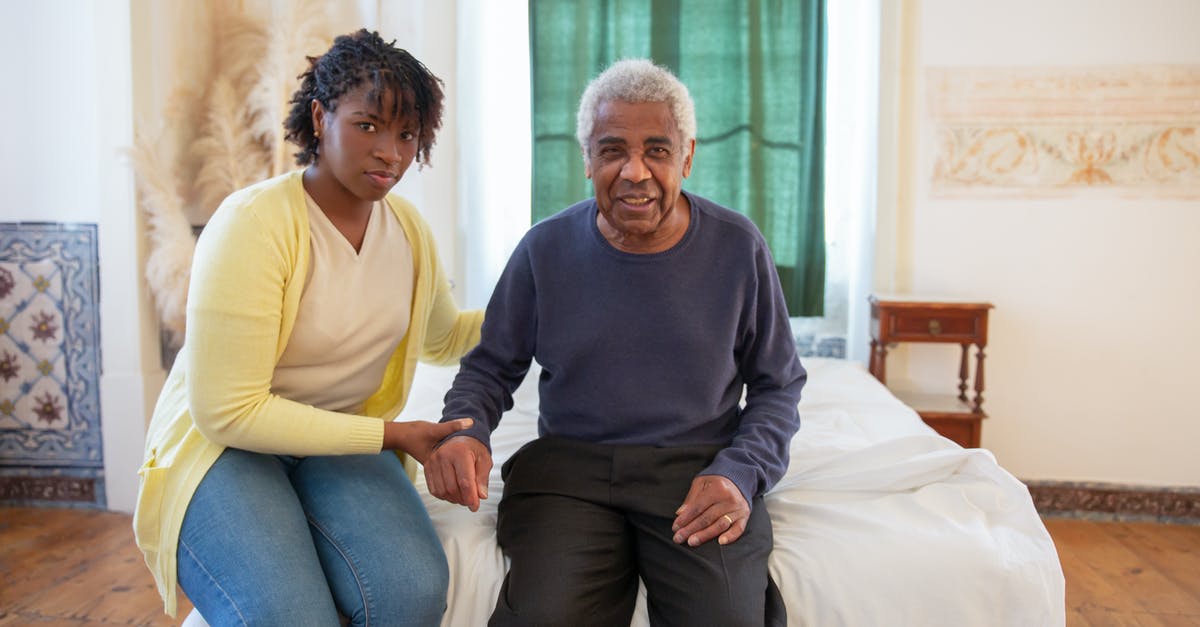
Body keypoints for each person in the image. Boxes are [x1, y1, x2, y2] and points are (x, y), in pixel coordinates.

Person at [424, 58, 807, 626]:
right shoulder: (544, 249)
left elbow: (778, 386)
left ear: (687, 156)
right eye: (611, 150)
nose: (634, 171)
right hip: (569, 476)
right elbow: (490, 369)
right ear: (586, 159)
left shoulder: (737, 247)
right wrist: (464, 430)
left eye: (657, 149)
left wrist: (740, 471)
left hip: (696, 472)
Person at [133, 30, 483, 626]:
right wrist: (394, 435)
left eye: (407, 134)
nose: (391, 153)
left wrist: (540, 300)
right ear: (320, 117)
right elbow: (228, 412)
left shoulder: (408, 230)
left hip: (334, 445)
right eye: (368, 125)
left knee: (413, 594)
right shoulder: (253, 224)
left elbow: (442, 336)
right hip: (226, 451)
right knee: (291, 617)